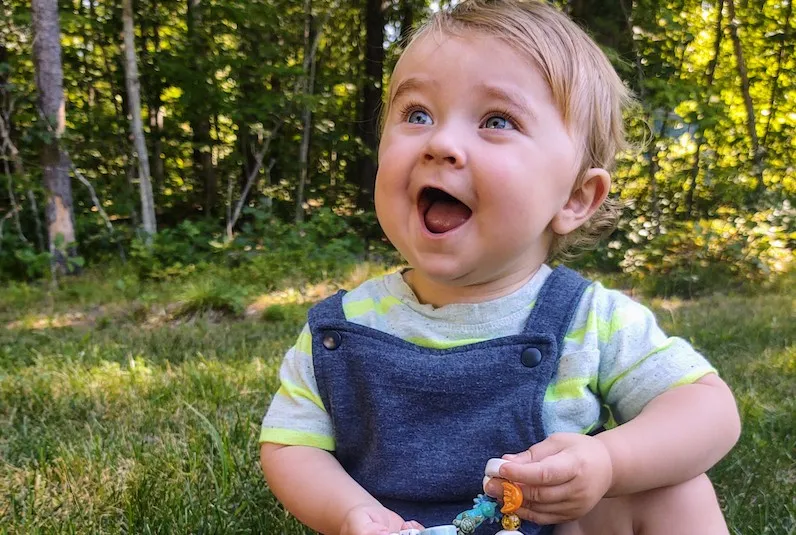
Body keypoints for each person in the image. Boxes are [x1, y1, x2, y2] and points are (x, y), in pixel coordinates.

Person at [259, 1, 741, 534]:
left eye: (497, 120)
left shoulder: (590, 320)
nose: (440, 143)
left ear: (576, 198)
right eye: (417, 114)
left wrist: (609, 462)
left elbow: (707, 410)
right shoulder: (340, 329)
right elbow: (290, 445)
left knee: (673, 488)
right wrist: (351, 514)